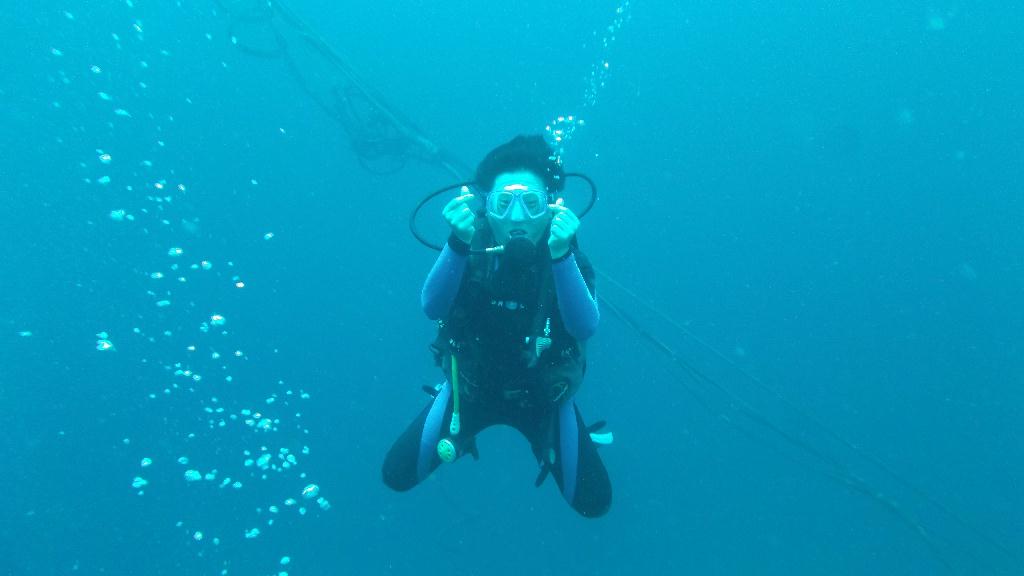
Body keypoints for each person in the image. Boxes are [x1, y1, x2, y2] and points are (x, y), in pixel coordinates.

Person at [382, 135, 612, 517]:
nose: (517, 217)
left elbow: (584, 326)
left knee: (594, 502)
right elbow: (432, 306)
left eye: (531, 204)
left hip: (543, 400)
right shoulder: (470, 245)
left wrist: (561, 255)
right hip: (470, 391)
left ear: (551, 209)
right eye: (504, 204)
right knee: (396, 474)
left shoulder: (566, 254)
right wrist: (457, 243)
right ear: (486, 208)